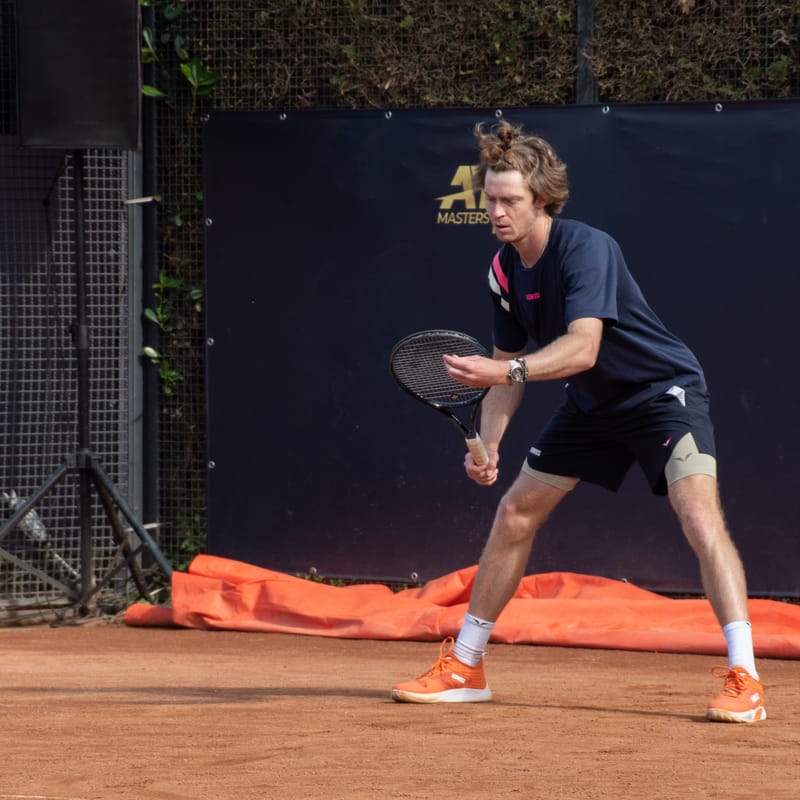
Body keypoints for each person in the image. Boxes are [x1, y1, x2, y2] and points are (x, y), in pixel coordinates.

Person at [390, 119, 765, 723]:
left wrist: (500, 374)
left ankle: (744, 677)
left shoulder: (586, 247)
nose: (497, 211)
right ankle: (466, 665)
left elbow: (581, 348)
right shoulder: (504, 271)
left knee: (698, 512)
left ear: (541, 200)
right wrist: (487, 443)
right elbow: (508, 365)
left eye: (509, 200)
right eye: (488, 199)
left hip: (660, 393)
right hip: (591, 405)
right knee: (515, 510)